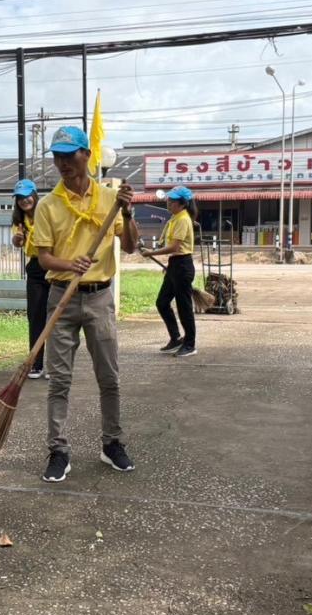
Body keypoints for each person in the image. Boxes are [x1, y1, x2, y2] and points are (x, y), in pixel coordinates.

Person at [33, 126, 140, 482]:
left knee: (109, 377)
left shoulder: (110, 200)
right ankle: (58, 450)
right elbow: (44, 258)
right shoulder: (48, 206)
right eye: (57, 156)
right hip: (61, 301)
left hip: (99, 297)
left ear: (86, 155)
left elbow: (128, 247)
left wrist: (129, 213)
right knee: (58, 381)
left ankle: (112, 444)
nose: (62, 163)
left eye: (69, 155)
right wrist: (70, 264)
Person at [142, 185, 198, 356]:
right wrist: (170, 266)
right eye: (168, 200)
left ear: (182, 204)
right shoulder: (175, 218)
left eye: (172, 201)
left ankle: (190, 344)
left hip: (183, 265)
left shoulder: (182, 219)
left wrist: (151, 252)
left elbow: (174, 246)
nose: (168, 203)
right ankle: (175, 338)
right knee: (162, 302)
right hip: (175, 264)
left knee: (184, 307)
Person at [11, 178, 49, 379]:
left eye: (27, 195)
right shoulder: (20, 222)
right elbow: (16, 241)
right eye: (19, 198)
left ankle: (54, 364)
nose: (24, 200)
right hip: (34, 268)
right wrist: (17, 239)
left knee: (56, 317)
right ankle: (36, 363)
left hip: (52, 265)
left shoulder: (47, 214)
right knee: (35, 316)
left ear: (34, 195)